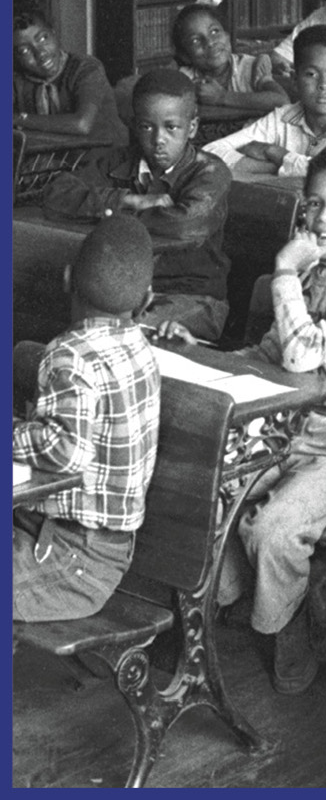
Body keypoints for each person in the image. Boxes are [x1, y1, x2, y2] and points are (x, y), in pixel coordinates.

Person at [161, 144, 326, 694]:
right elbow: (272, 354)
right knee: (208, 494)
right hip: (286, 431)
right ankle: (218, 605)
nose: (324, 219)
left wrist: (285, 271)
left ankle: (283, 624)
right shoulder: (318, 273)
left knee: (271, 529)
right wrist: (198, 351)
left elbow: (301, 356)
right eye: (315, 203)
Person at [13, 216, 161, 621]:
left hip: (72, 560)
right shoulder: (140, 345)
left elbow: (65, 450)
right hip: (93, 547)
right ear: (147, 299)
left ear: (67, 279)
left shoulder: (70, 353)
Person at [42, 69, 233, 342]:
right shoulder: (118, 161)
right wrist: (128, 200)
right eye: (147, 126)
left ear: (192, 127)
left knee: (113, 335)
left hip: (193, 298)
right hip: (122, 294)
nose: (158, 140)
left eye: (171, 127)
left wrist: (113, 221)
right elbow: (56, 193)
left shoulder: (211, 173)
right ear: (134, 125)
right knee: (54, 317)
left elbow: (184, 225)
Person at [206, 25, 326, 177]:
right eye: (311, 74)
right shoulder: (282, 117)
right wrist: (274, 167)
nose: (323, 85)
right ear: (295, 80)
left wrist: (275, 152)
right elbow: (210, 152)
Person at [13, 1, 128, 146]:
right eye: (24, 51)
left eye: (43, 38)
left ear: (53, 32)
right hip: (55, 159)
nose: (41, 53)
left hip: (106, 158)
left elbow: (81, 124)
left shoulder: (86, 68)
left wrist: (18, 118)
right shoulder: (17, 79)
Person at [171, 3, 287, 112]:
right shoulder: (185, 78)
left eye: (214, 31)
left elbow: (282, 101)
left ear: (228, 36)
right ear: (185, 56)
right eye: (195, 40)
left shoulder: (251, 67)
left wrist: (221, 97)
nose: (210, 42)